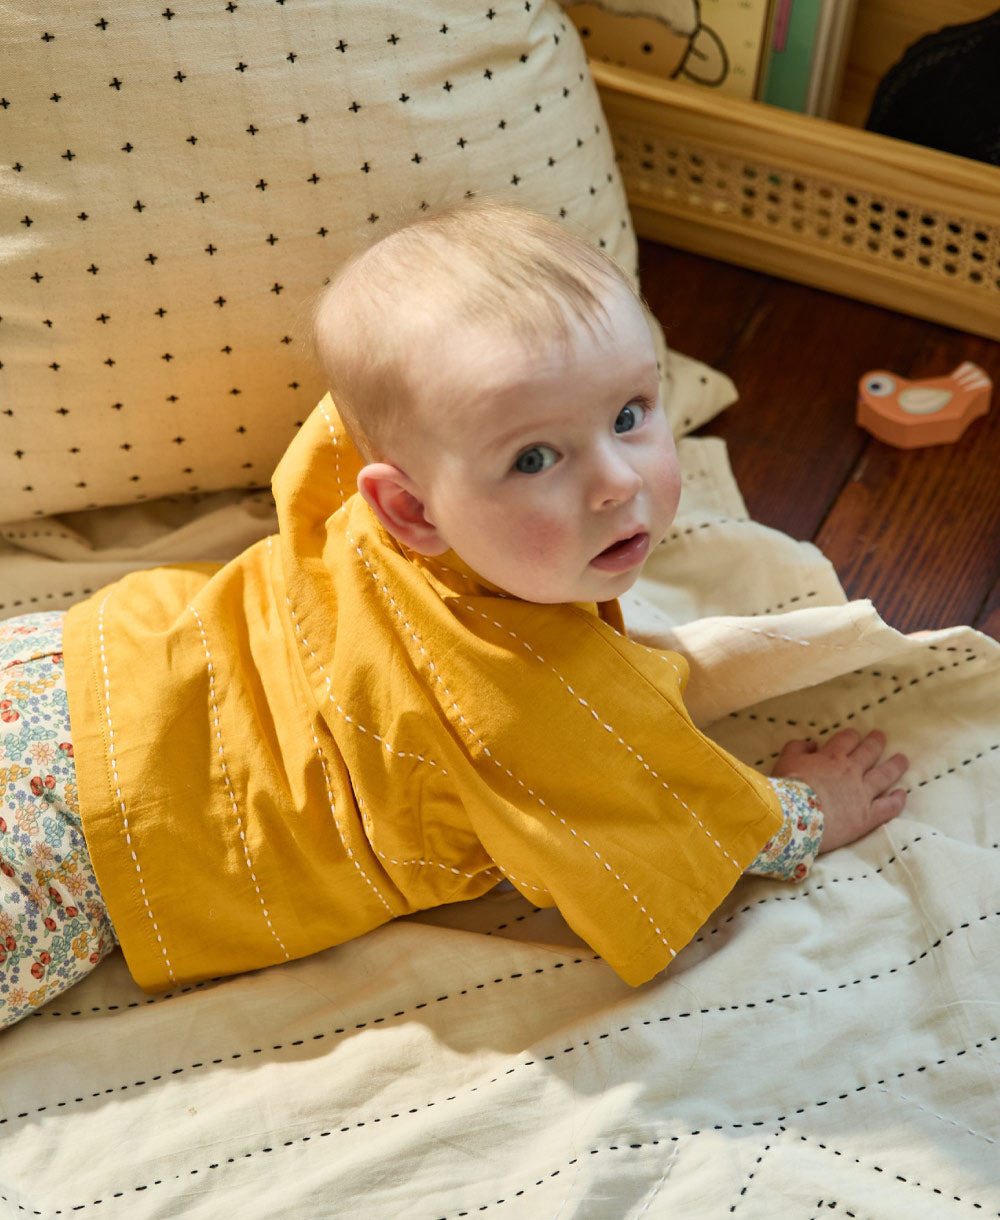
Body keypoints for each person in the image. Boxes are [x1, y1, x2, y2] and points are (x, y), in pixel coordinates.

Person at [0, 202, 908, 1030]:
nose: (619, 481)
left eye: (631, 413)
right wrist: (812, 811)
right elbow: (671, 819)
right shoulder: (536, 700)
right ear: (412, 510)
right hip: (82, 839)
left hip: (76, 662)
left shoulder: (363, 490)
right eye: (535, 458)